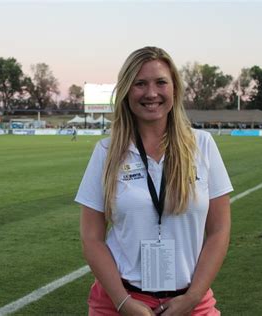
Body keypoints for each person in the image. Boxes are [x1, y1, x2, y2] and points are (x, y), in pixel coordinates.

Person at [76, 47, 233, 316]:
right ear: (127, 91)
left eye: (161, 82)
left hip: (191, 302)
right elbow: (91, 237)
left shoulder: (202, 145)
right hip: (119, 302)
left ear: (174, 88)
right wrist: (123, 303)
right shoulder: (106, 152)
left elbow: (219, 230)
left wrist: (192, 298)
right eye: (140, 84)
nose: (151, 93)